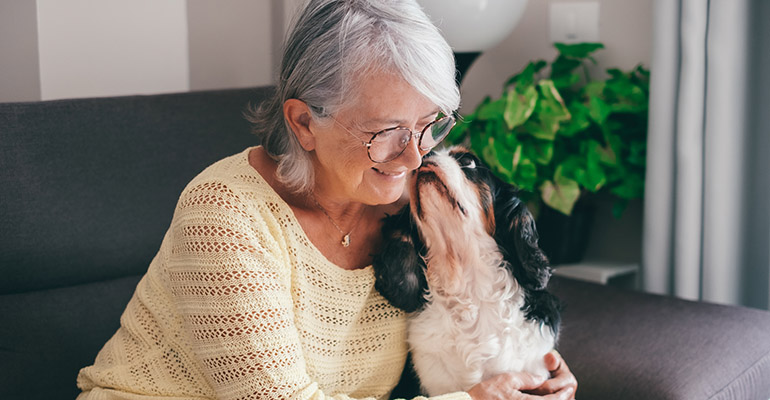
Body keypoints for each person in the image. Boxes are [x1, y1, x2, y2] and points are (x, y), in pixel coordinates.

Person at [77, 1, 577, 399]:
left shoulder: (407, 206)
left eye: (429, 125)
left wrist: (534, 374)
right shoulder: (224, 218)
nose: (413, 157)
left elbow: (479, 311)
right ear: (303, 123)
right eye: (385, 131)